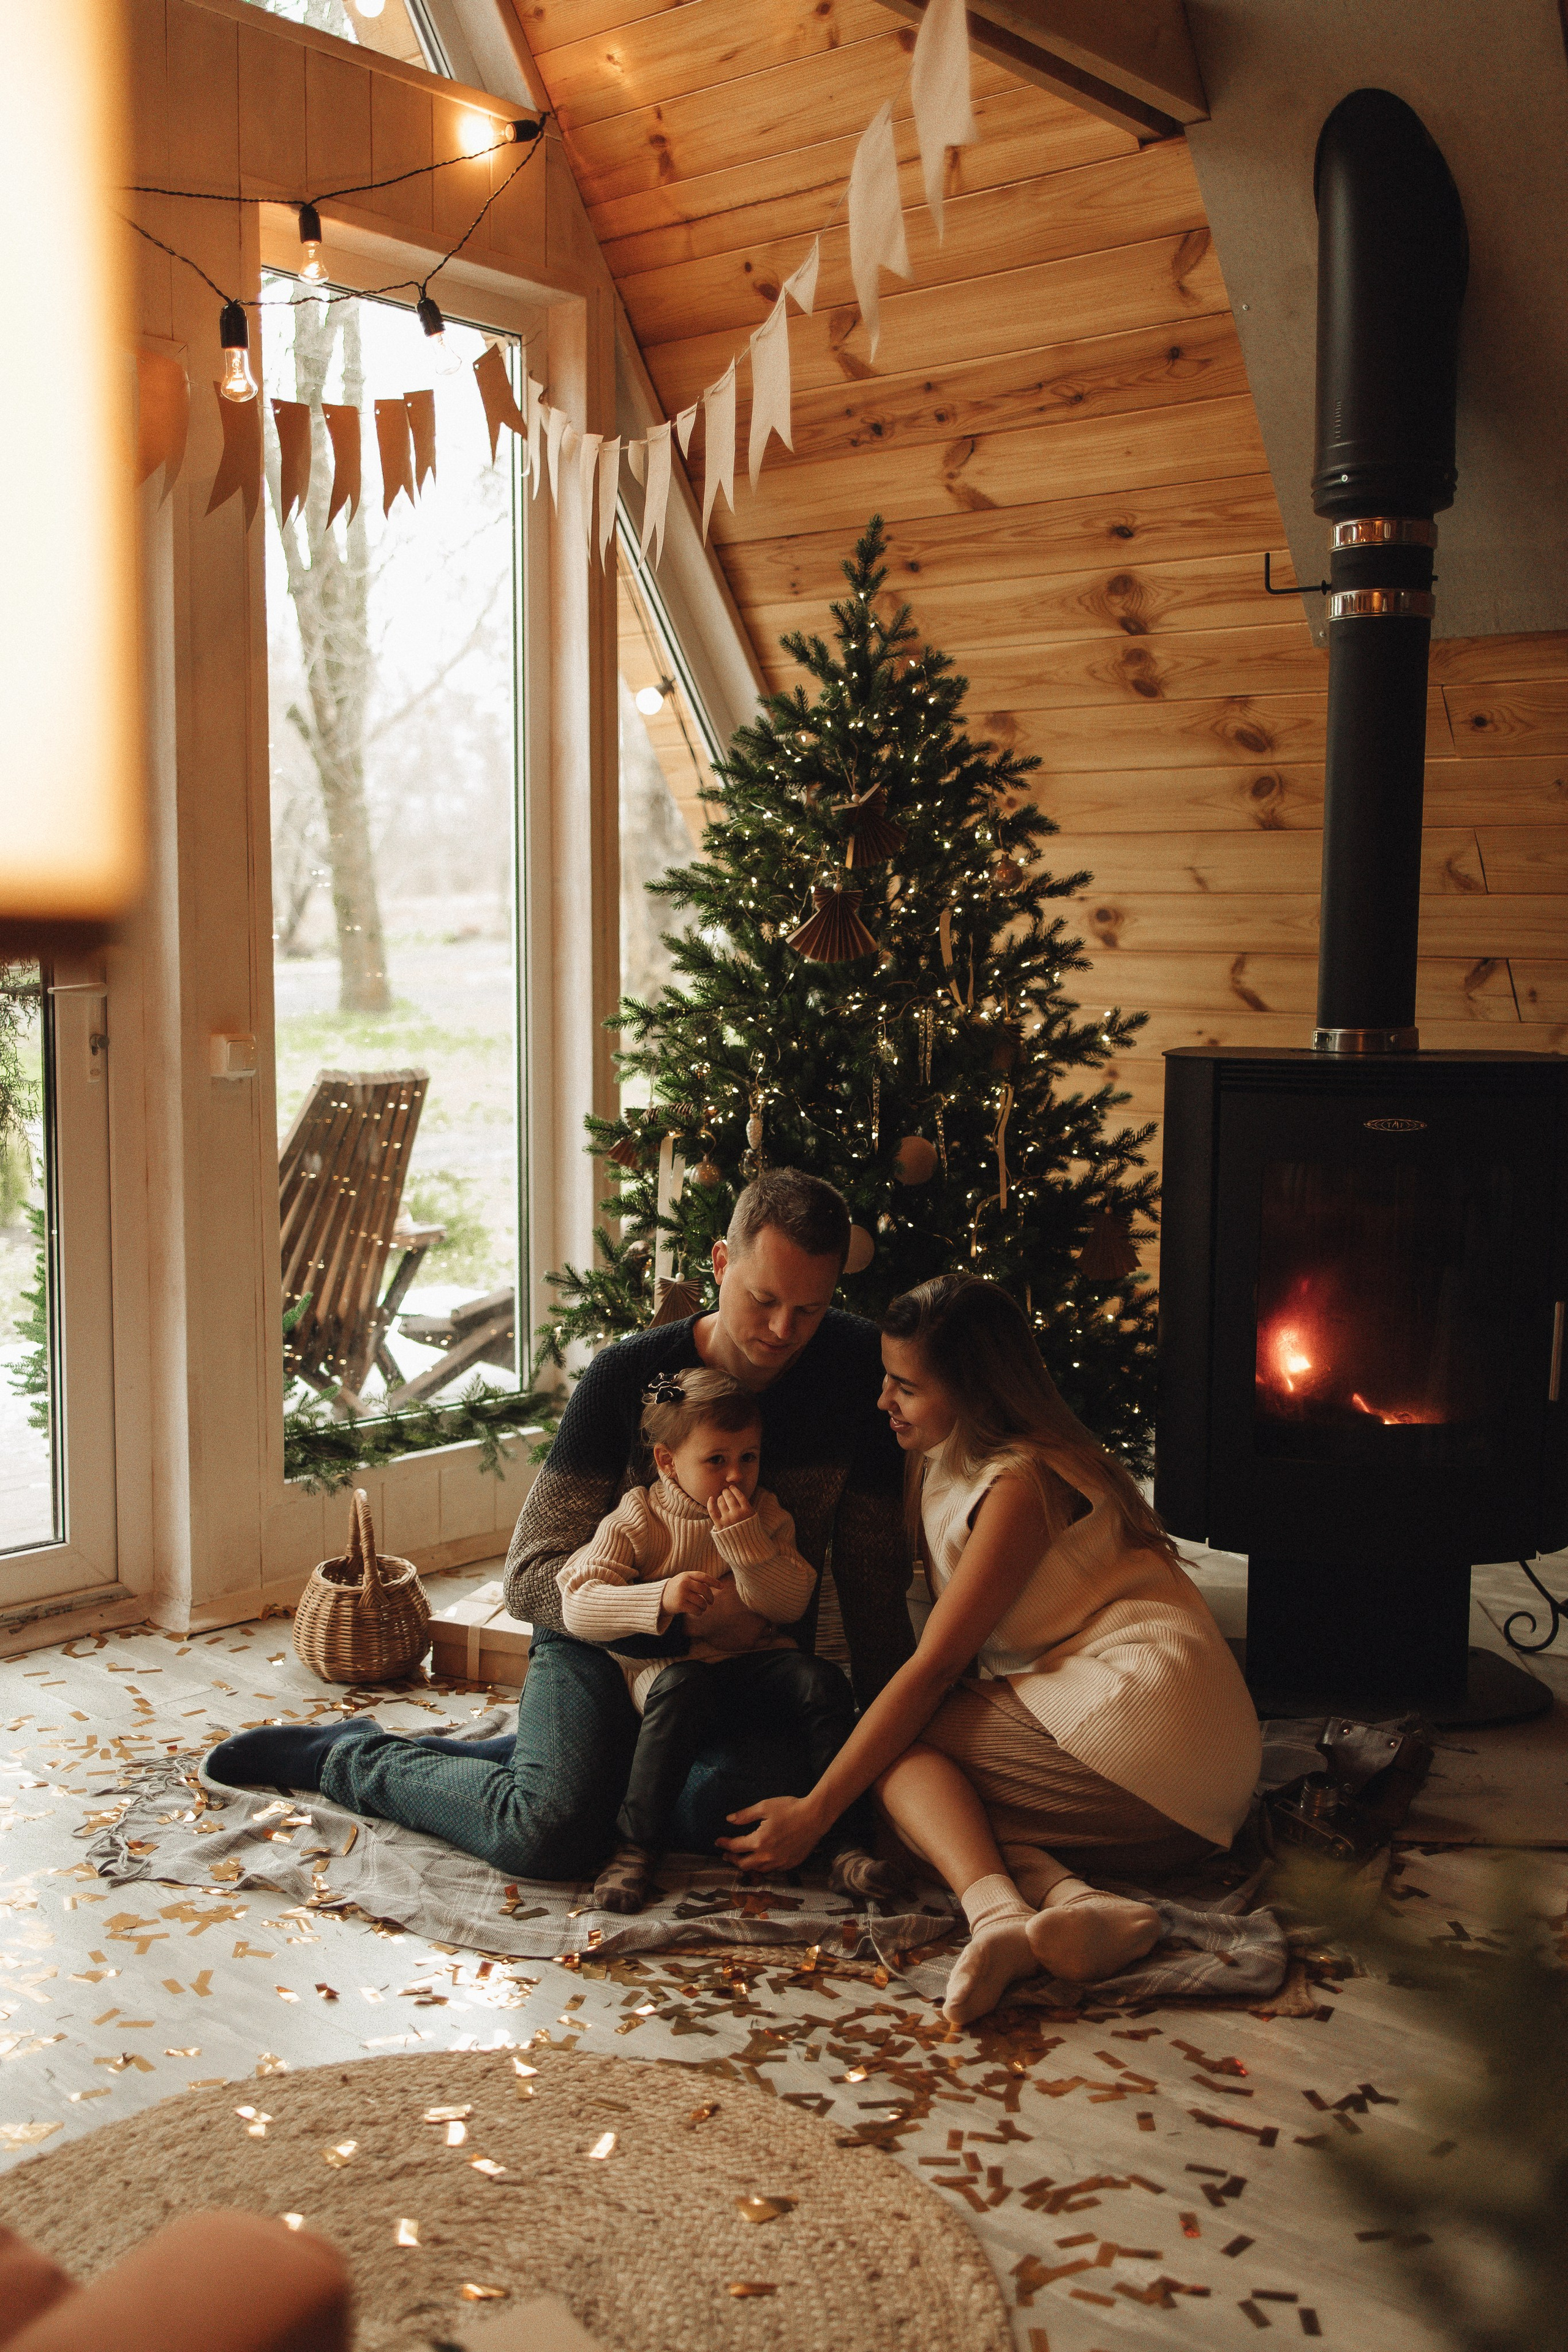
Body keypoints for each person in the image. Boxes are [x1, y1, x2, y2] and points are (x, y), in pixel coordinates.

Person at [207, 1170, 913, 1882]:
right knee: (546, 1836)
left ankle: (562, 1764)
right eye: (763, 1300)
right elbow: (530, 1578)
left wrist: (888, 1751)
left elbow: (872, 1577)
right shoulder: (632, 1378)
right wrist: (672, 1615)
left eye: (810, 1310)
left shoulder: (855, 1370)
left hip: (736, 1671)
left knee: (729, 1810)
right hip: (597, 1642)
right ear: (722, 1263)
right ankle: (351, 1756)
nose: (783, 1331)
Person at [717, 1273, 1262, 2024]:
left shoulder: (1020, 1482)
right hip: (1187, 1812)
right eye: (885, 1379)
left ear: (972, 1394)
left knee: (890, 1764)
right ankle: (1074, 1903)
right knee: (937, 1805)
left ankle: (996, 1916)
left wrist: (814, 1812)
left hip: (1144, 1718)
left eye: (905, 1387)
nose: (884, 1401)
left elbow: (936, 1667)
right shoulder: (961, 1451)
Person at [564, 1366, 891, 1912]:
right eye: (716, 1460)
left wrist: (746, 1543)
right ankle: (635, 1846)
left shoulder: (765, 1513)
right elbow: (578, 1604)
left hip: (752, 1667)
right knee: (684, 1685)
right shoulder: (640, 1516)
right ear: (668, 1461)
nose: (736, 1476)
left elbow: (789, 1604)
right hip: (669, 1678)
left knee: (821, 1680)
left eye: (749, 1457)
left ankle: (845, 1845)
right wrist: (660, 1598)